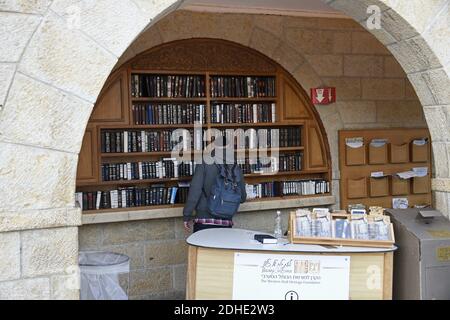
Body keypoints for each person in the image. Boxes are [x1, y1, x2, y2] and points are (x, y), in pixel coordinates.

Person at [183, 136, 246, 233]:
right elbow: (242, 198)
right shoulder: (234, 165)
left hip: (204, 218)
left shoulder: (204, 161)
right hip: (226, 220)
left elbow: (195, 191)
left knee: (202, 248)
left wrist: (187, 215)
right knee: (222, 248)